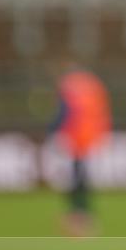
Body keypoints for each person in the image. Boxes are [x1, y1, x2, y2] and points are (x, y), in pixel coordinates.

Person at [49, 62, 112, 236]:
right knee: (83, 178)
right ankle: (85, 215)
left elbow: (64, 113)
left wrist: (53, 131)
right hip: (93, 137)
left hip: (74, 138)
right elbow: (103, 111)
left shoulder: (68, 86)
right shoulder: (94, 85)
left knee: (73, 179)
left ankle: (77, 216)